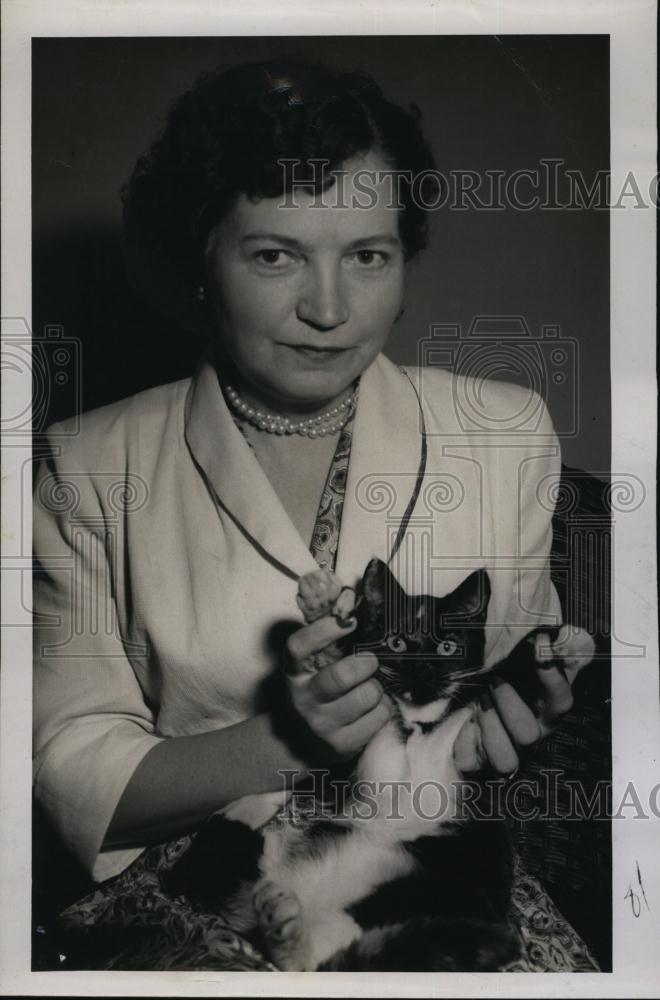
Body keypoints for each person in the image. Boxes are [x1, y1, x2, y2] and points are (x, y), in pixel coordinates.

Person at [32, 59, 596, 970]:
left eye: (367, 255)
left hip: (427, 868)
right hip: (211, 874)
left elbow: (492, 709)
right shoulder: (86, 465)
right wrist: (284, 741)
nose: (329, 310)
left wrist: (507, 725)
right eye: (274, 254)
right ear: (198, 263)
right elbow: (69, 770)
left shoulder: (506, 432)